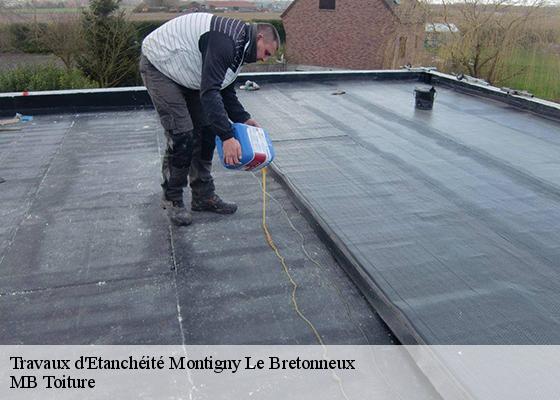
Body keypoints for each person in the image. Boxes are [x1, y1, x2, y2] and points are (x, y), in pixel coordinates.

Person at [139, 13, 280, 226]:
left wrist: (243, 118)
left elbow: (224, 86)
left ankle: (203, 196)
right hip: (160, 65)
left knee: (206, 129)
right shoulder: (226, 41)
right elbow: (210, 92)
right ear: (260, 37)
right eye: (266, 52)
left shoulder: (241, 46)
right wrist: (227, 136)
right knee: (182, 133)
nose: (264, 59)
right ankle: (172, 197)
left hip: (187, 72)